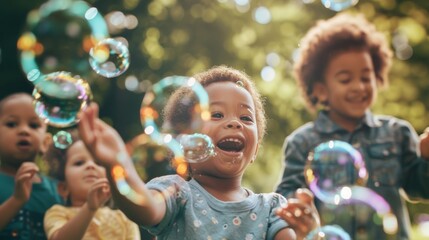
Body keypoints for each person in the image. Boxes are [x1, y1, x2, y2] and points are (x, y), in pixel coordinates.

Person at [78, 65, 320, 239]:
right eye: (216, 114)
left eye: (246, 117)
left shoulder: (272, 207)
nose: (234, 123)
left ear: (255, 148)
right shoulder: (177, 192)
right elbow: (145, 208)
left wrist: (306, 233)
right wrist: (116, 163)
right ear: (184, 140)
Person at [275, 13, 429, 240]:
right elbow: (285, 199)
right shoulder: (302, 142)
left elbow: (421, 189)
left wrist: (426, 157)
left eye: (366, 78)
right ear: (320, 90)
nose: (358, 87)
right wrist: (298, 204)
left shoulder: (397, 133)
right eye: (345, 79)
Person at [43, 129, 139, 240]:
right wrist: (89, 208)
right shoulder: (57, 213)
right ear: (64, 188)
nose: (90, 165)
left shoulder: (125, 218)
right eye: (79, 163)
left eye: (98, 162)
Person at [0, 92, 63, 240]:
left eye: (34, 125)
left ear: (45, 143)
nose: (24, 130)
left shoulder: (58, 190)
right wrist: (17, 200)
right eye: (11, 124)